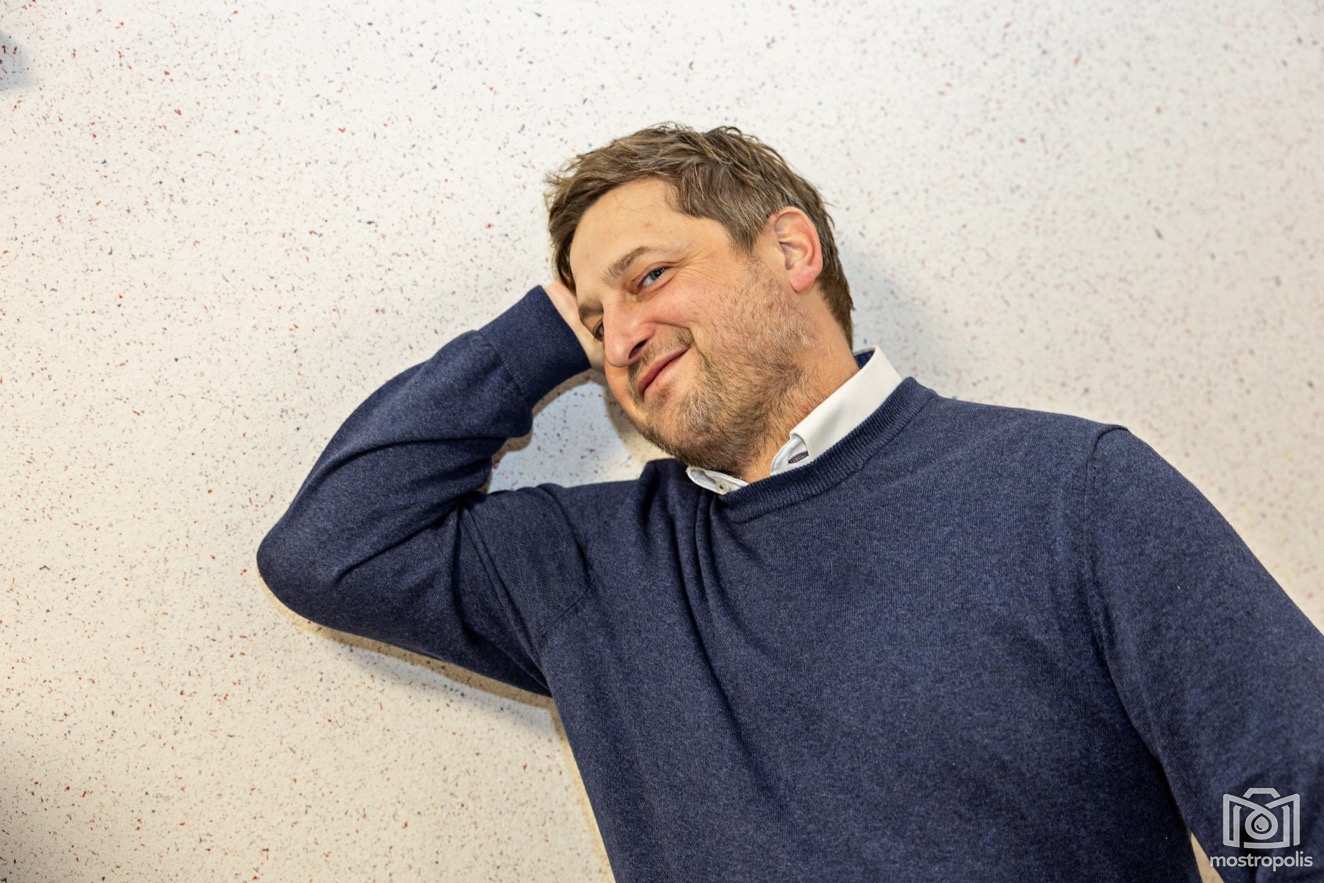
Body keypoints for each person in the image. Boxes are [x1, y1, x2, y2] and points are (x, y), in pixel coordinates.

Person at [256, 122, 1324, 882]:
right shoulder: (588, 568)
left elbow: (1291, 805)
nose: (620, 336)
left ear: (789, 249)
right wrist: (538, 335)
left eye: (648, 276)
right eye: (595, 320)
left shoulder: (1070, 489)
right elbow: (331, 548)